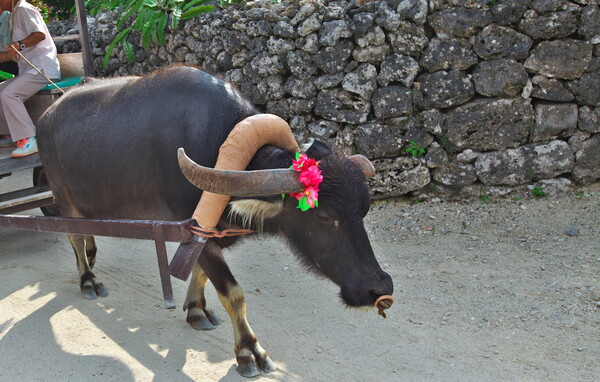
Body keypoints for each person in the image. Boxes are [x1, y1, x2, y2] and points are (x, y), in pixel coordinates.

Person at [0, 0, 59, 157]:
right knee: (1, 90)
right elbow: (14, 51)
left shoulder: (24, 8)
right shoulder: (13, 15)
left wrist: (20, 45)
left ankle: (29, 138)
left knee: (9, 94)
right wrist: (6, 55)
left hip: (42, 68)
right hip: (29, 70)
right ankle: (13, 134)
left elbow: (39, 34)